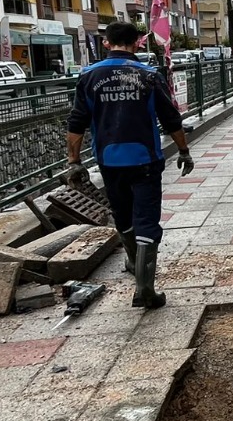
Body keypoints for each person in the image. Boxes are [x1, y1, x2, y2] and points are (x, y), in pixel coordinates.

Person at [65, 21, 195, 310]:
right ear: (138, 42)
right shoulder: (148, 76)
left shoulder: (88, 77)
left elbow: (76, 123)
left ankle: (133, 261)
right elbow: (171, 119)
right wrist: (184, 151)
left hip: (109, 161)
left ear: (107, 43)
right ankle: (145, 286)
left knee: (122, 216)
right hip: (145, 159)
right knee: (147, 219)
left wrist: (74, 162)